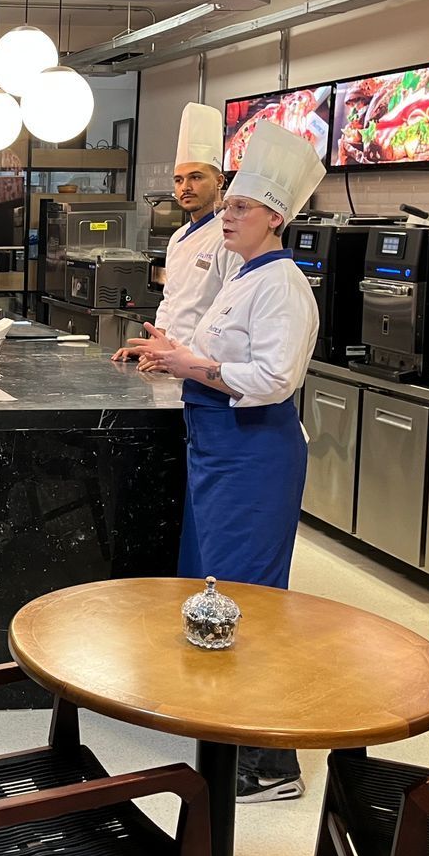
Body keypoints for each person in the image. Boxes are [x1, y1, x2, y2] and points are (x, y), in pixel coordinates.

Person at [125, 121, 323, 804]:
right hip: (216, 447)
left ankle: (272, 764)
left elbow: (271, 378)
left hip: (254, 453)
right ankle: (220, 724)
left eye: (241, 207)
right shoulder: (243, 275)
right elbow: (217, 353)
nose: (227, 217)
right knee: (207, 585)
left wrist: (189, 364)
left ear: (274, 217)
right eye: (229, 205)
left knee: (251, 602)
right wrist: (168, 346)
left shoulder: (284, 285)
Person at [115, 103, 239, 362]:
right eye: (179, 180)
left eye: (196, 177)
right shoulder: (178, 237)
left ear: (219, 181)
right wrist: (153, 347)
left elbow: (229, 312)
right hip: (168, 361)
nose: (186, 187)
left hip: (203, 363)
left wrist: (185, 359)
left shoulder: (229, 237)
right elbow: (170, 299)